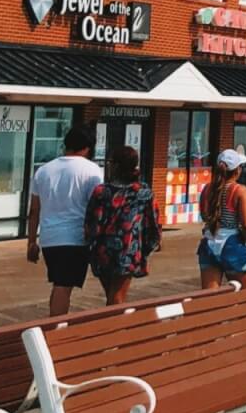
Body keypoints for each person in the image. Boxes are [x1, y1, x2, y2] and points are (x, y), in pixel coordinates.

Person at [28, 125, 103, 315]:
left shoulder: (43, 171)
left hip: (49, 239)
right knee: (63, 286)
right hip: (75, 237)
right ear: (87, 147)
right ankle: (55, 328)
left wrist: (31, 242)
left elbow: (34, 210)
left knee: (60, 283)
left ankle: (55, 322)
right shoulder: (92, 170)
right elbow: (97, 205)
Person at [85, 143, 159, 305]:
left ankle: (113, 326)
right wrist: (146, 249)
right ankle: (115, 327)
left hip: (102, 251)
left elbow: (91, 224)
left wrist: (90, 246)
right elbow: (152, 224)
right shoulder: (143, 192)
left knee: (112, 296)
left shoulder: (101, 191)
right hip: (128, 250)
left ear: (116, 166)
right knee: (116, 297)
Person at [197, 147, 246, 290]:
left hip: (209, 242)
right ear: (237, 170)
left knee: (209, 298)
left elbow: (205, 216)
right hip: (232, 243)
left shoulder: (207, 189)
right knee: (242, 296)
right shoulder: (240, 191)